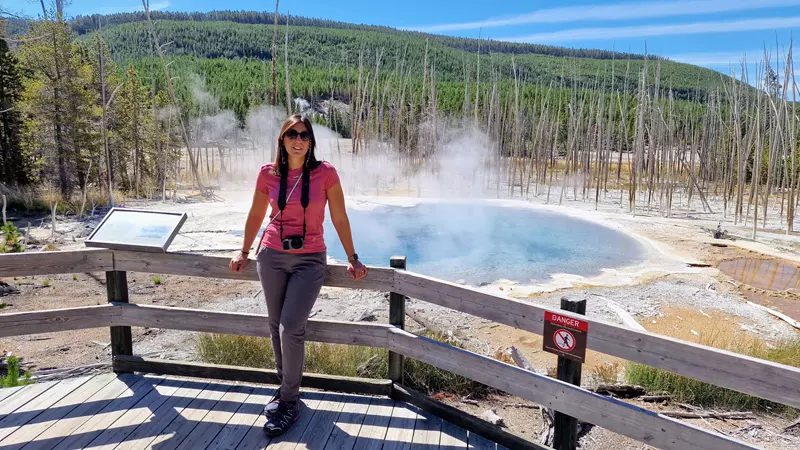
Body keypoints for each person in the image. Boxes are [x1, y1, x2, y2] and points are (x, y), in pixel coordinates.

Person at [229, 114, 368, 437]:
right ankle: (285, 388)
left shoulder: (326, 173)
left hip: (309, 259)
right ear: (282, 139)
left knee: (291, 327)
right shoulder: (268, 174)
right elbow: (254, 214)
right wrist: (244, 251)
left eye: (304, 135)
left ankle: (289, 400)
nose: (298, 139)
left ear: (311, 142)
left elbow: (339, 218)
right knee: (274, 325)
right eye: (292, 134)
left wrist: (353, 257)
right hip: (272, 255)